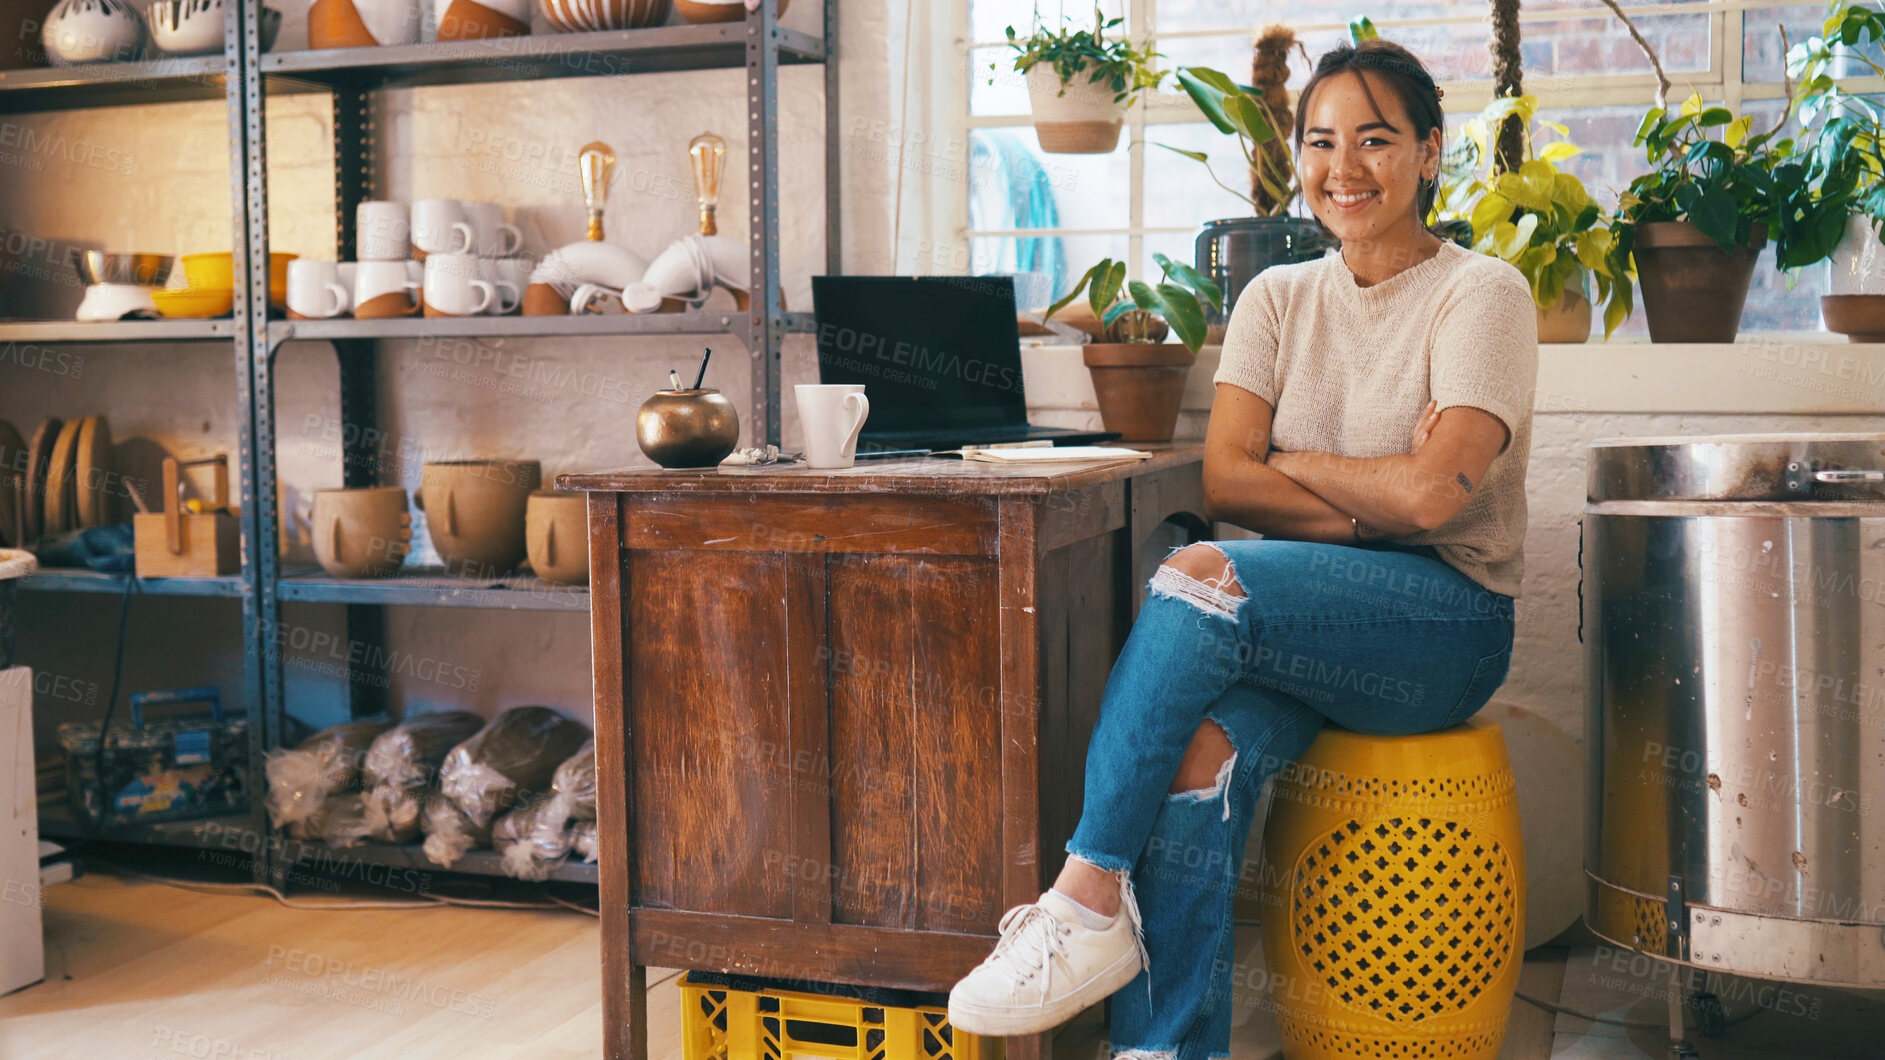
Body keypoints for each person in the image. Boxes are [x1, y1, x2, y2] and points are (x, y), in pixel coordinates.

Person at [946, 39, 1537, 1057]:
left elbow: (1436, 495)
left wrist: (1311, 468)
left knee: (1196, 573)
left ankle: (1085, 897)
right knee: (1196, 751)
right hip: (1299, 613)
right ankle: (1164, 1046)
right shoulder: (1275, 299)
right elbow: (1227, 476)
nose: (1341, 168)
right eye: (1318, 142)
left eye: (1375, 140)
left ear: (1431, 153)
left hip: (1444, 624)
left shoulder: (1482, 294)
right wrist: (1373, 497)